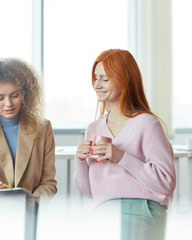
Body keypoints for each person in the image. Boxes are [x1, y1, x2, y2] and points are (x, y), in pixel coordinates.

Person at [73, 49, 176, 240]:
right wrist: (79, 161)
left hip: (143, 209)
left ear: (124, 80)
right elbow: (89, 192)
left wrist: (120, 156)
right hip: (104, 211)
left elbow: (166, 182)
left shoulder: (147, 124)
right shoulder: (93, 128)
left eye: (105, 79)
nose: (97, 85)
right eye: (95, 78)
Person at [0, 58, 57, 201]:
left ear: (25, 94)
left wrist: (30, 204)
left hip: (32, 211)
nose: (8, 104)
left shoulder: (43, 128)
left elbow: (48, 183)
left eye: (15, 96)